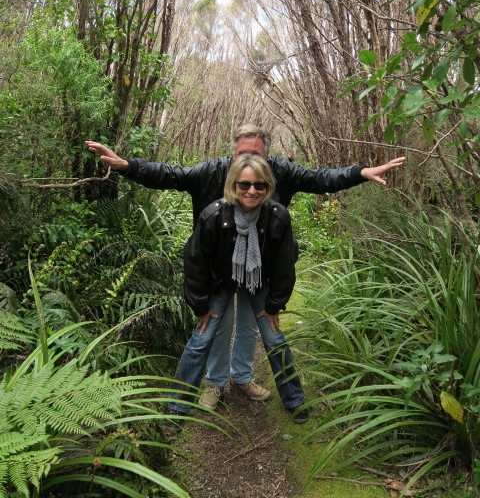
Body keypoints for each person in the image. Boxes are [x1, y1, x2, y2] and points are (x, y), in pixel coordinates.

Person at [85, 125, 405, 410]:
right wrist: (127, 166)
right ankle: (214, 383)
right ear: (232, 152)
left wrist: (360, 172)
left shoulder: (280, 172)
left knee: (253, 326)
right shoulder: (213, 172)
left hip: (260, 270)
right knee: (217, 327)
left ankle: (242, 378)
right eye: (243, 153)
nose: (250, 165)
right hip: (218, 269)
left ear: (267, 155)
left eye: (257, 154)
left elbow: (321, 178)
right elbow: (170, 174)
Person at [168, 154, 308, 426]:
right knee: (202, 336)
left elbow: (283, 265)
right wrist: (200, 306)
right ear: (233, 185)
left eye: (260, 185)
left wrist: (274, 305)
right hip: (220, 280)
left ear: (268, 188)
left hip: (259, 280)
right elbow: (195, 261)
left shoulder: (277, 216)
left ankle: (294, 399)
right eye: (244, 185)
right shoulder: (214, 214)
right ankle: (178, 406)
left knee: (274, 336)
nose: (252, 191)